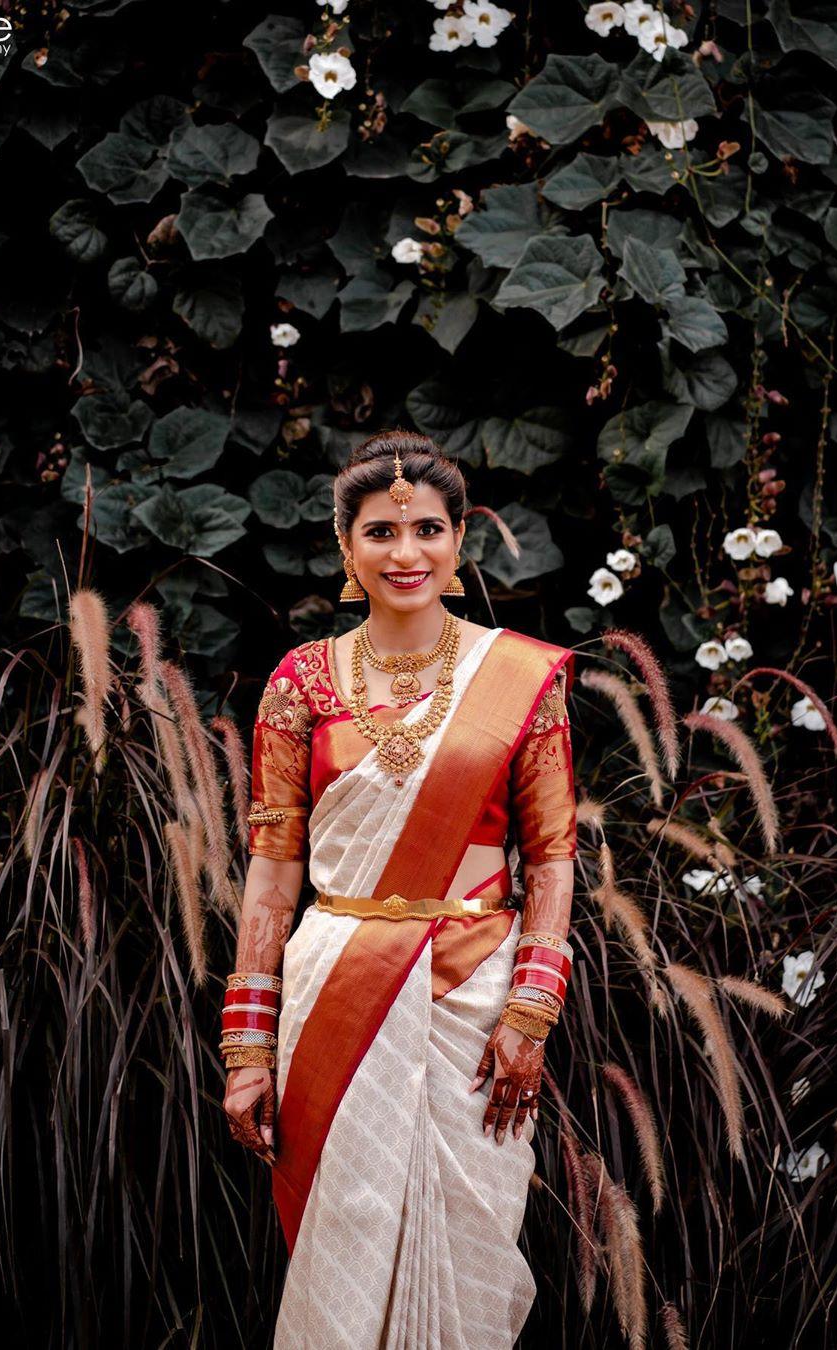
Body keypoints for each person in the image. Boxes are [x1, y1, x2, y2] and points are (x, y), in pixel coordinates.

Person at [221, 429, 577, 1349]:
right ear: (347, 549)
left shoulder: (521, 678)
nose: (405, 553)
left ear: (460, 538)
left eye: (426, 528)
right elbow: (273, 866)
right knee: (345, 1250)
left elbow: (552, 858)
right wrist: (247, 1044)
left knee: (469, 1257)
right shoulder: (302, 682)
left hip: (477, 999)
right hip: (337, 994)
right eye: (381, 531)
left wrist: (531, 1012)